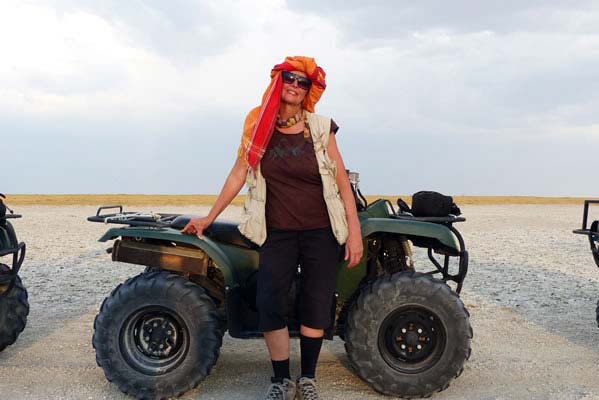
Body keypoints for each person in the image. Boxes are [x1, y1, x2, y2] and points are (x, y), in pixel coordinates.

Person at [182, 56, 363, 400]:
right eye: (289, 79)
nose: (295, 85)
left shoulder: (322, 128)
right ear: (278, 82)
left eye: (302, 81)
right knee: (269, 301)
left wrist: (354, 231)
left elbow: (341, 183)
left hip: (321, 232)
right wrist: (208, 216)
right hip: (276, 232)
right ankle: (280, 379)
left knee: (316, 302)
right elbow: (238, 173)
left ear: (309, 90)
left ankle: (306, 379)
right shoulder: (259, 126)